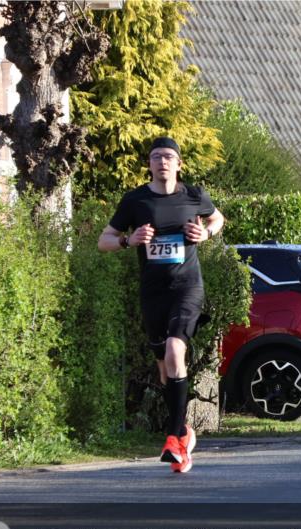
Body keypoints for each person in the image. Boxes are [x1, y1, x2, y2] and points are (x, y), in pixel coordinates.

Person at [98, 137, 225, 473]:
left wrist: (206, 234)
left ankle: (172, 437)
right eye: (156, 157)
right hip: (153, 292)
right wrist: (128, 240)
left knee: (174, 349)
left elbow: (218, 219)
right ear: (150, 165)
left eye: (169, 157)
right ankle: (184, 436)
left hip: (187, 287)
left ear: (179, 164)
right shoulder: (135, 200)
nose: (162, 162)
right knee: (165, 369)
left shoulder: (194, 196)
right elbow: (104, 240)